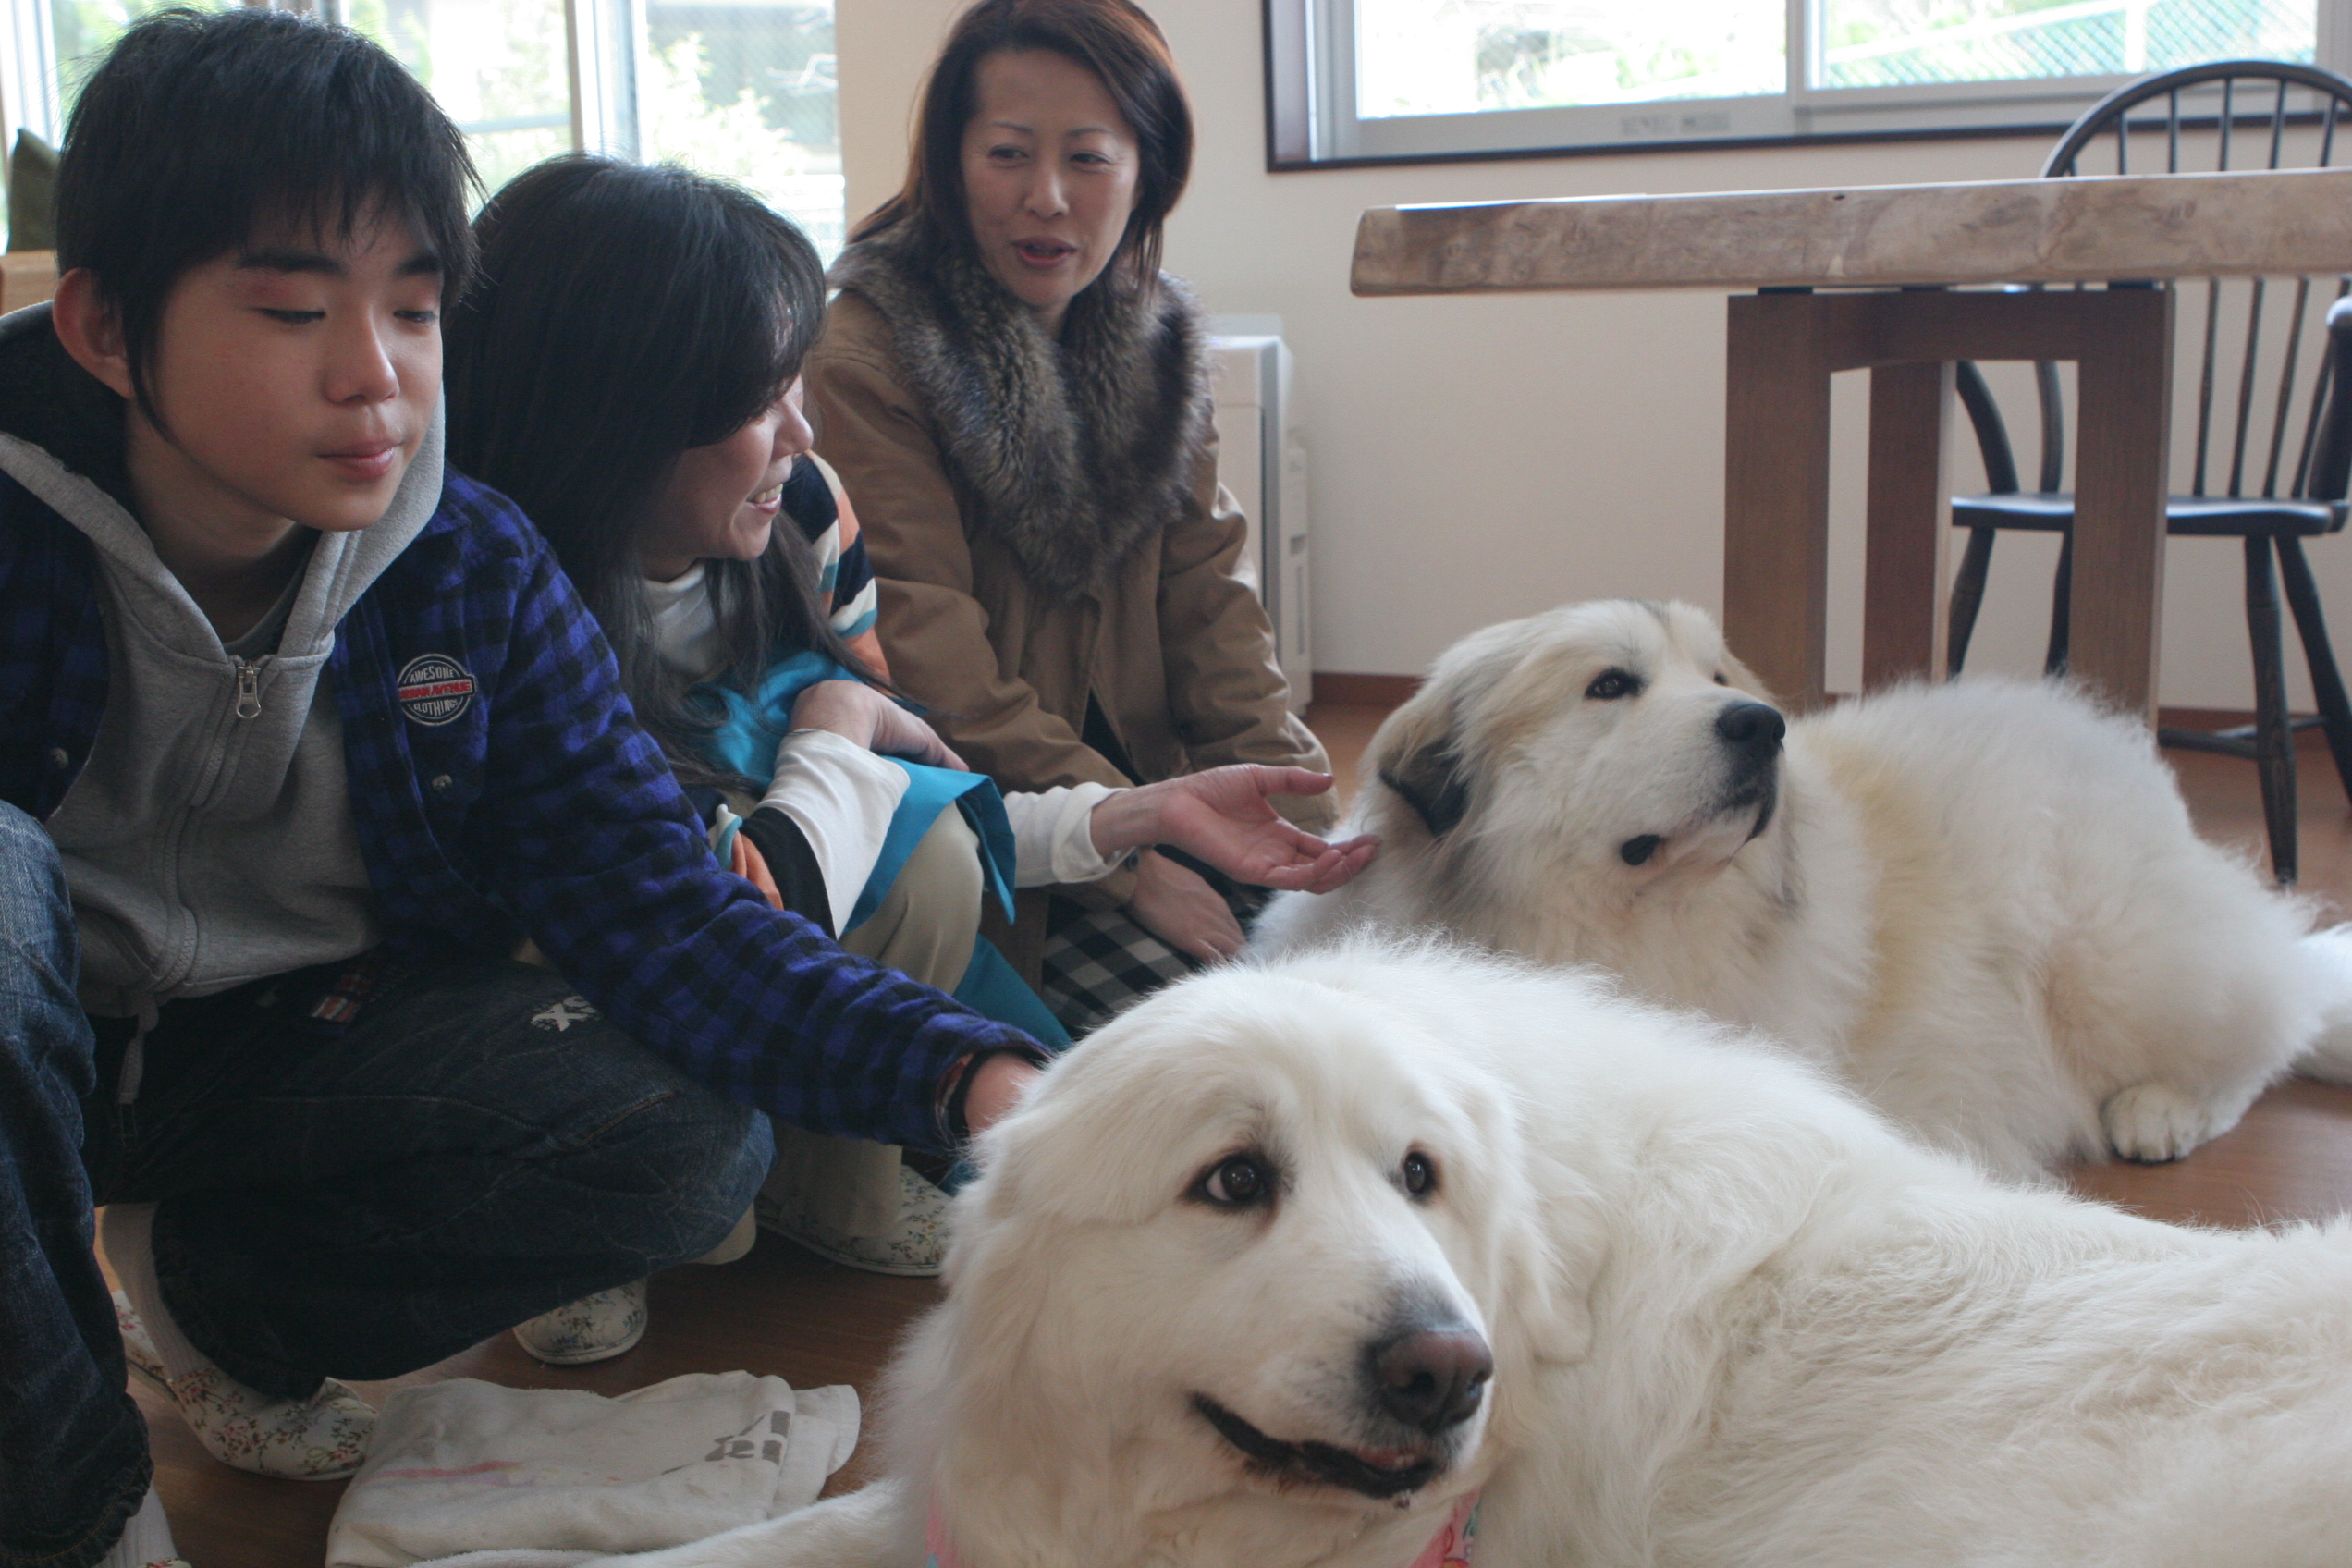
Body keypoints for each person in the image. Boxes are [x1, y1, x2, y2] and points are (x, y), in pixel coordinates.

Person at [0, 14, 1047, 1567]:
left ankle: (214, 1303)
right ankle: (76, 1503)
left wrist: (978, 1080)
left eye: (415, 314)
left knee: (687, 1139)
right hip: (45, 1058)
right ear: (101, 328)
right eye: (293, 310)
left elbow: (672, 922)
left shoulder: (471, 568)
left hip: (296, 1054)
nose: (373, 377)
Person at [444, 154, 1372, 1276]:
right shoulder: (508, 601)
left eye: (797, 383)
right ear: (615, 411)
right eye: (755, 397)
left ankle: (837, 1188)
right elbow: (720, 908)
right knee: (692, 1186)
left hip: (770, 852)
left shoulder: (801, 510)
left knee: (930, 846)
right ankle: (611, 1227)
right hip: (612, 936)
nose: (799, 430)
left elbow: (918, 776)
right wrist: (838, 725)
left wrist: (1132, 818)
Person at [806, 0, 1336, 1034]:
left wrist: (1314, 839)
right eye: (1008, 153)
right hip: (995, 843)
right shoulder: (870, 355)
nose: (1045, 198)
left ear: (1149, 170)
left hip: (1156, 807)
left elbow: (1216, 614)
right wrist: (1130, 862)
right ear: (952, 160)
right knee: (1226, 1068)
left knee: (1370, 1003)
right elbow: (934, 667)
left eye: (1089, 159)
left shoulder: (1159, 341)